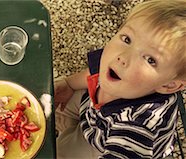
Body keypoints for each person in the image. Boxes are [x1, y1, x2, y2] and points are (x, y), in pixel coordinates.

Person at [55, 0, 186, 158]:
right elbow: (93, 72)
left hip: (104, 140)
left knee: (59, 152)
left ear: (169, 85)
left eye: (150, 59)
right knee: (47, 98)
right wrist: (68, 84)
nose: (123, 57)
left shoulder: (139, 126)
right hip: (92, 110)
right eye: (127, 39)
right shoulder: (119, 67)